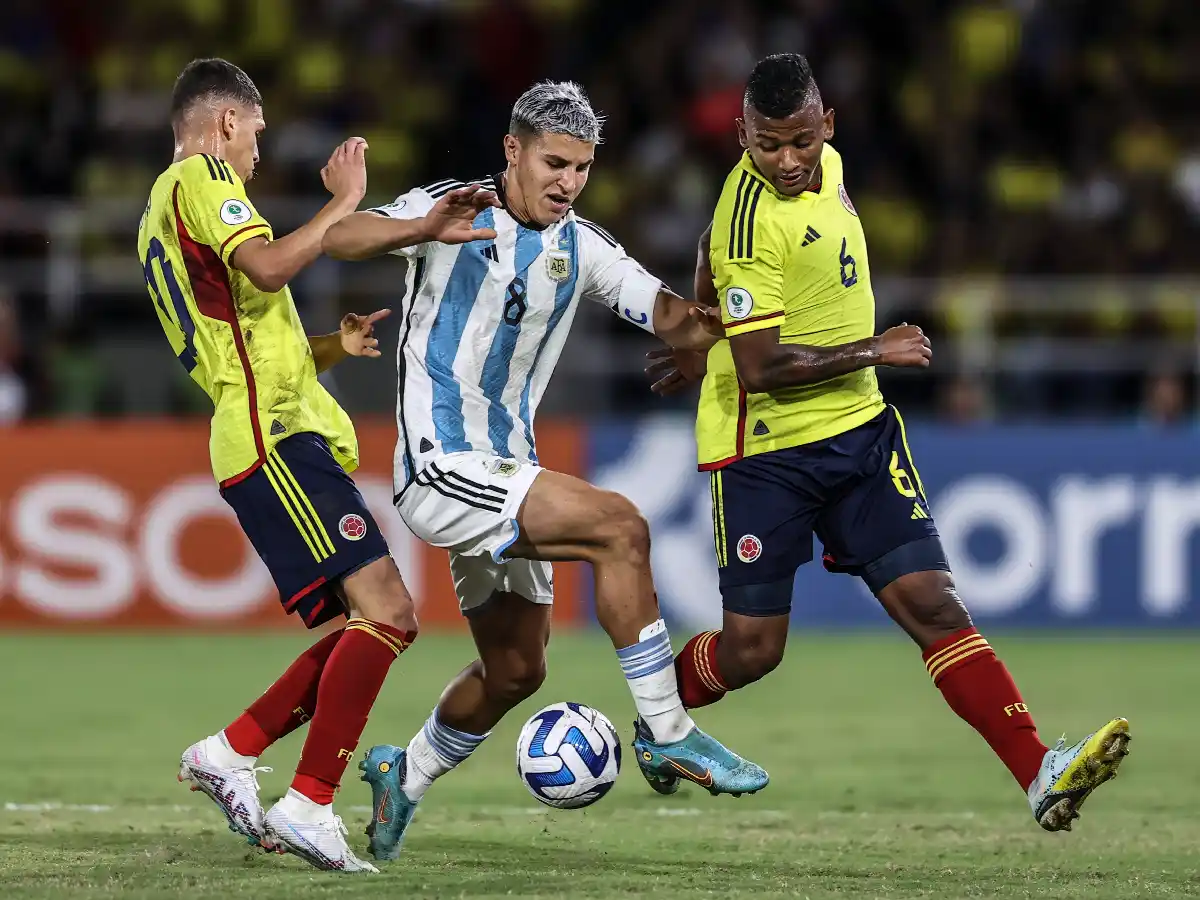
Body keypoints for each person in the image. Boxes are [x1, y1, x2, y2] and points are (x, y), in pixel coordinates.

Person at [645, 54, 1130, 832]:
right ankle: (657, 722)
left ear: (827, 125)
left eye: (801, 140)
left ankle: (1040, 774)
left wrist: (700, 324)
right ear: (741, 136)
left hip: (861, 435)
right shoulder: (751, 220)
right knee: (753, 652)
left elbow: (703, 247)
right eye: (768, 146)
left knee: (934, 605)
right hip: (764, 452)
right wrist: (876, 348)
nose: (789, 161)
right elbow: (763, 368)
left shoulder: (826, 166)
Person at [322, 79, 769, 862]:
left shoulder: (580, 246)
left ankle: (405, 773)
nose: (567, 182)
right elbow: (342, 239)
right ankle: (667, 733)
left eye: (582, 168)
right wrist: (419, 225)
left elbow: (662, 310)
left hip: (504, 469)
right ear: (513, 151)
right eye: (554, 163)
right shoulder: (450, 210)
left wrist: (719, 322)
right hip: (441, 464)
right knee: (621, 527)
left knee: (517, 669)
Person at [139, 58, 497, 872]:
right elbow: (267, 267)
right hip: (271, 437)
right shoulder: (199, 175)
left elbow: (243, 336)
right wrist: (341, 202)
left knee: (363, 628)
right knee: (392, 611)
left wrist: (331, 347)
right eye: (257, 134)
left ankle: (232, 752)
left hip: (268, 425)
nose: (259, 153)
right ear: (226, 122)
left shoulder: (161, 215)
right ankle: (308, 801)